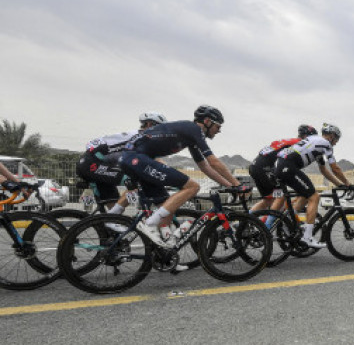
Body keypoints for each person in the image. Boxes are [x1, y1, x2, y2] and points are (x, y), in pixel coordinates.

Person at [120, 105, 248, 248]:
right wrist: (238, 184)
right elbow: (213, 162)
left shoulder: (190, 136)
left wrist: (231, 186)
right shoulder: (194, 129)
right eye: (218, 126)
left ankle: (165, 253)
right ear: (207, 121)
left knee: (167, 206)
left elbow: (205, 167)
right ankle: (149, 224)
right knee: (193, 186)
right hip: (136, 158)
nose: (219, 131)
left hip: (132, 159)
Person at [274, 123, 354, 249]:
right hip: (288, 166)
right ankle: (308, 237)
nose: (336, 143)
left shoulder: (314, 142)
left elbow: (324, 171)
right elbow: (335, 169)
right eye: (337, 139)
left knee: (305, 195)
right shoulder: (326, 144)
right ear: (332, 136)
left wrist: (340, 184)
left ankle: (287, 221)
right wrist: (348, 184)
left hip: (281, 165)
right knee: (314, 196)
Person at [77, 112, 167, 213]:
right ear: (150, 125)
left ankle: (107, 222)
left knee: (115, 210)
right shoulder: (142, 137)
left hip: (95, 164)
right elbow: (156, 162)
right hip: (92, 164)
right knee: (136, 182)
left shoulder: (139, 136)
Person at [249, 124, 317, 214]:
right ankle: (268, 225)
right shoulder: (298, 144)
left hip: (255, 166)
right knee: (281, 196)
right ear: (305, 136)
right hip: (265, 167)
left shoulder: (289, 140)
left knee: (268, 200)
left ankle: (246, 221)